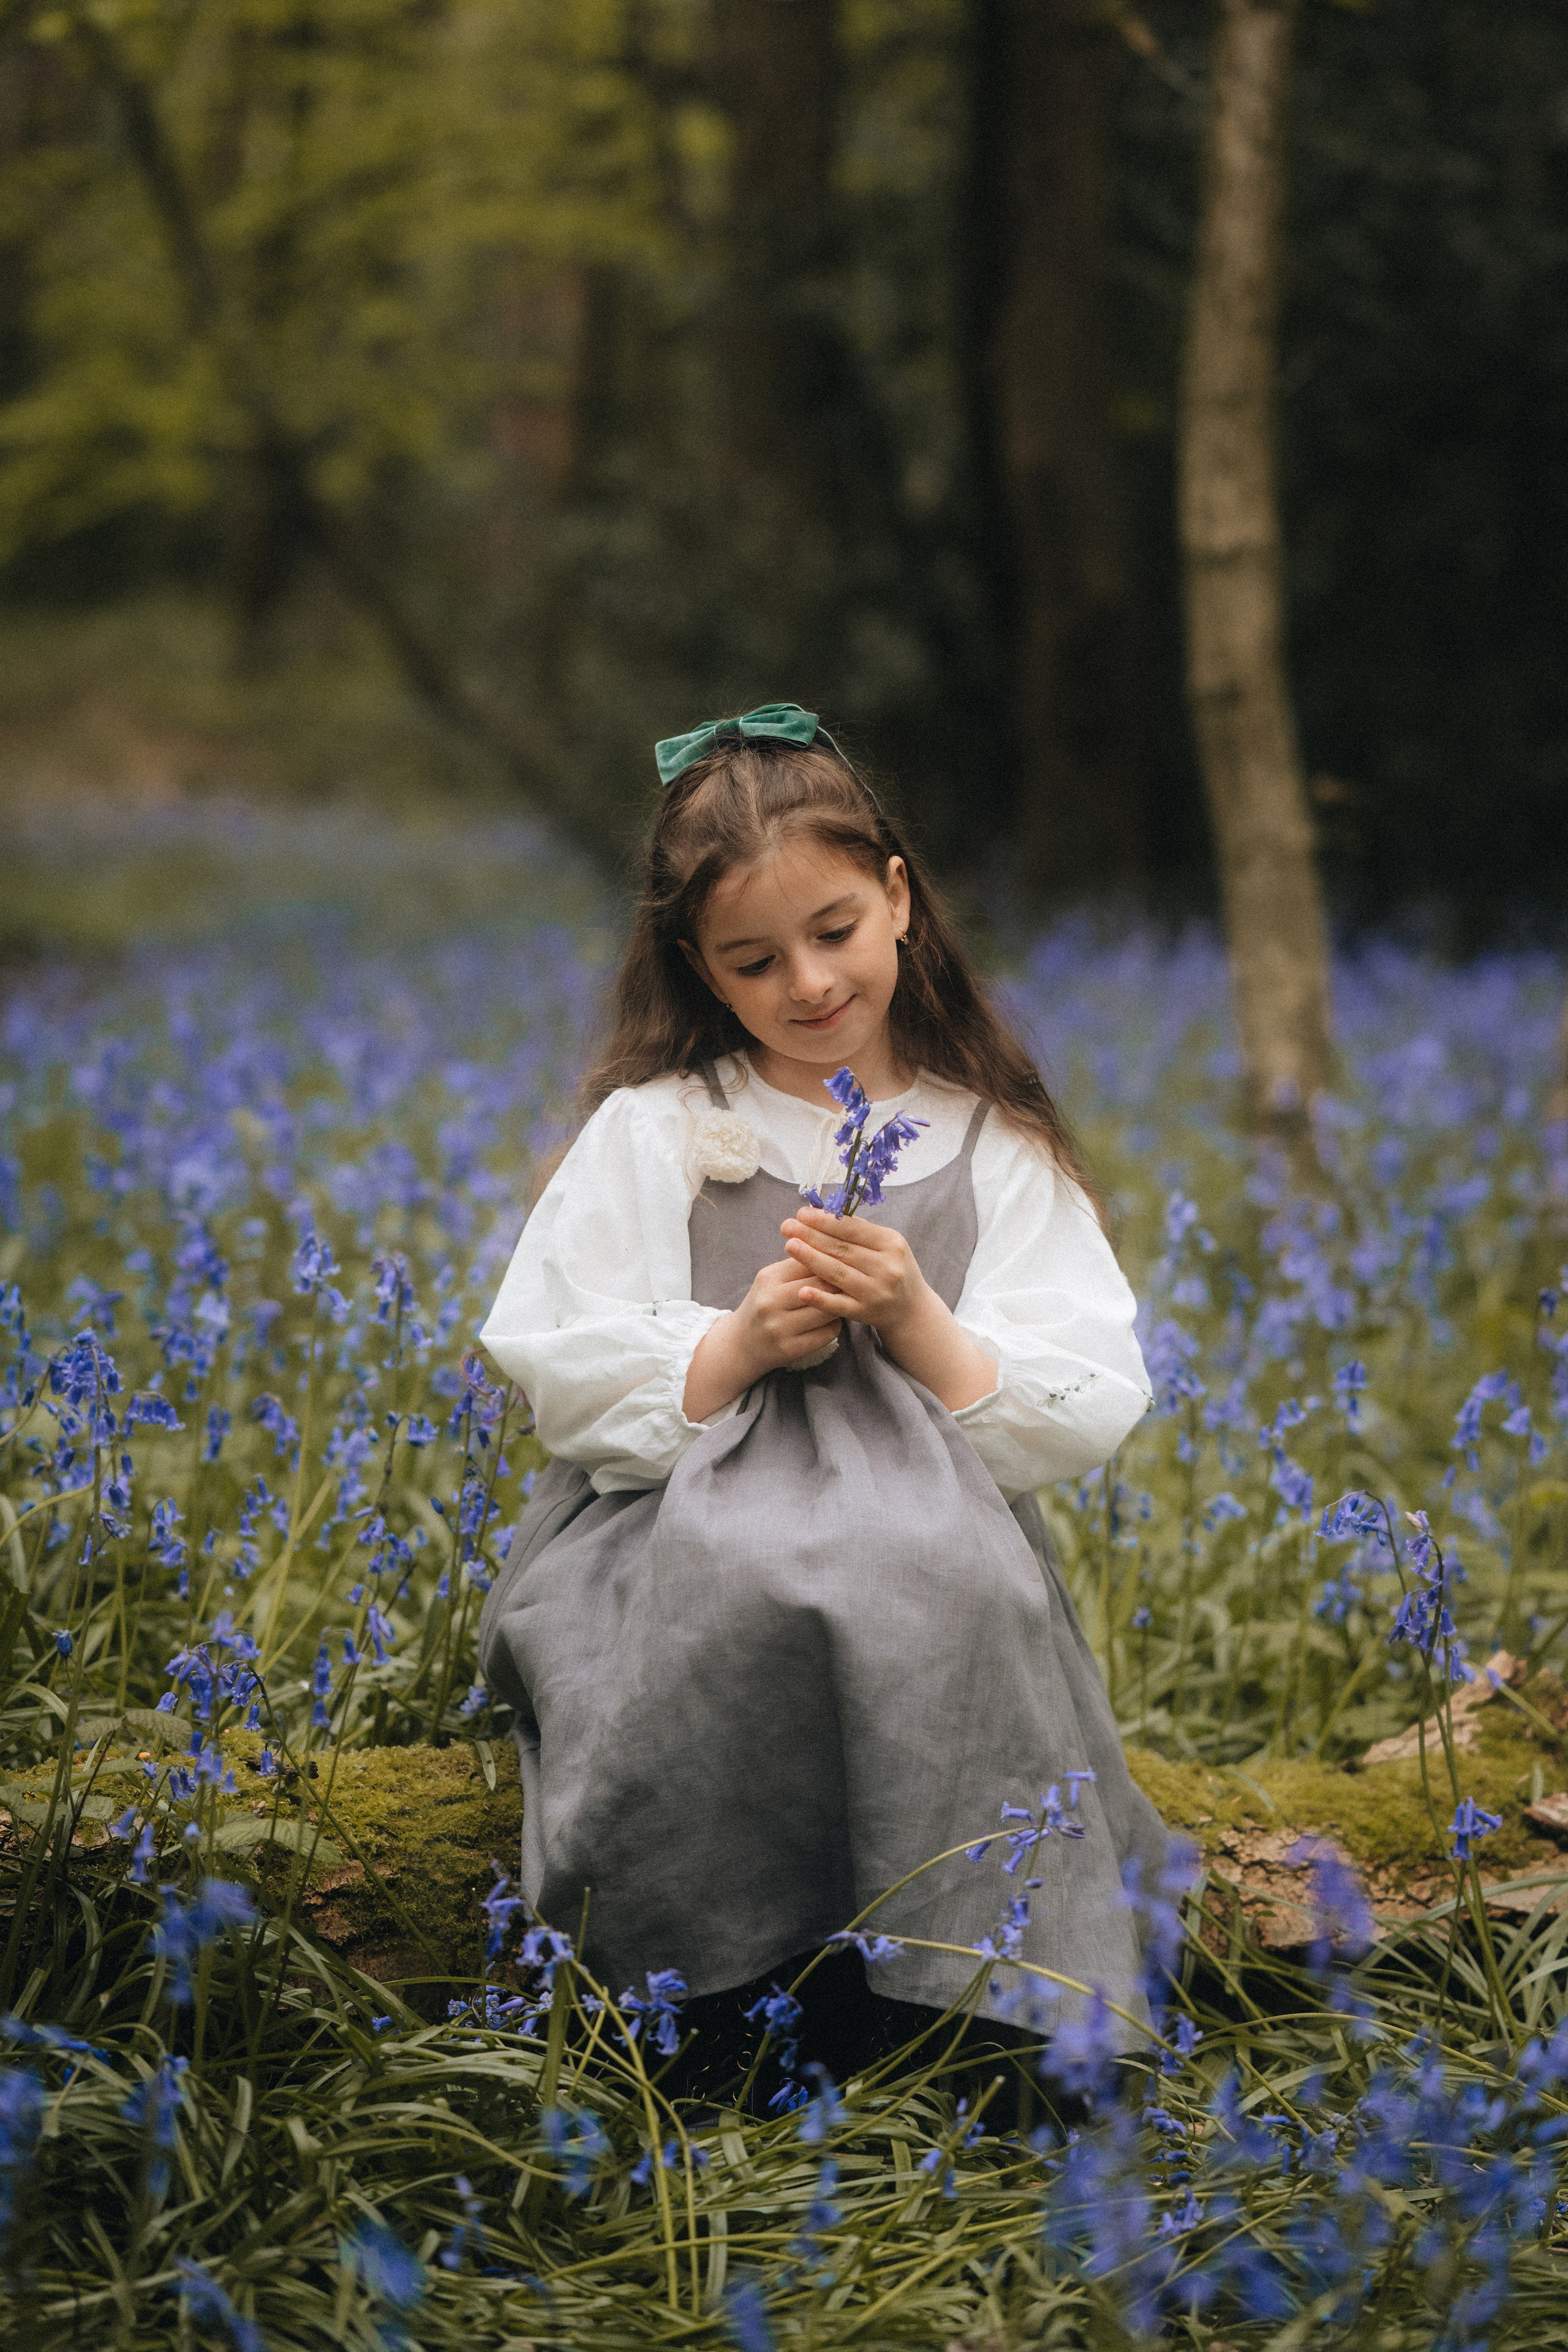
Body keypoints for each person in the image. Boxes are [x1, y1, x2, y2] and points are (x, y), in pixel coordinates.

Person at [478, 704, 1166, 2100]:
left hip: (932, 1515)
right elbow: (555, 1353)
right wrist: (732, 1347)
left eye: (835, 930)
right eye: (753, 958)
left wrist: (915, 1322)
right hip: (668, 1520)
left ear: (899, 898)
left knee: (951, 1593)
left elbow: (1083, 1390)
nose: (806, 982)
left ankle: (979, 2008)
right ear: (697, 967)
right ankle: (711, 2001)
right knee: (732, 1584)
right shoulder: (660, 1127)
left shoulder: (991, 1145)